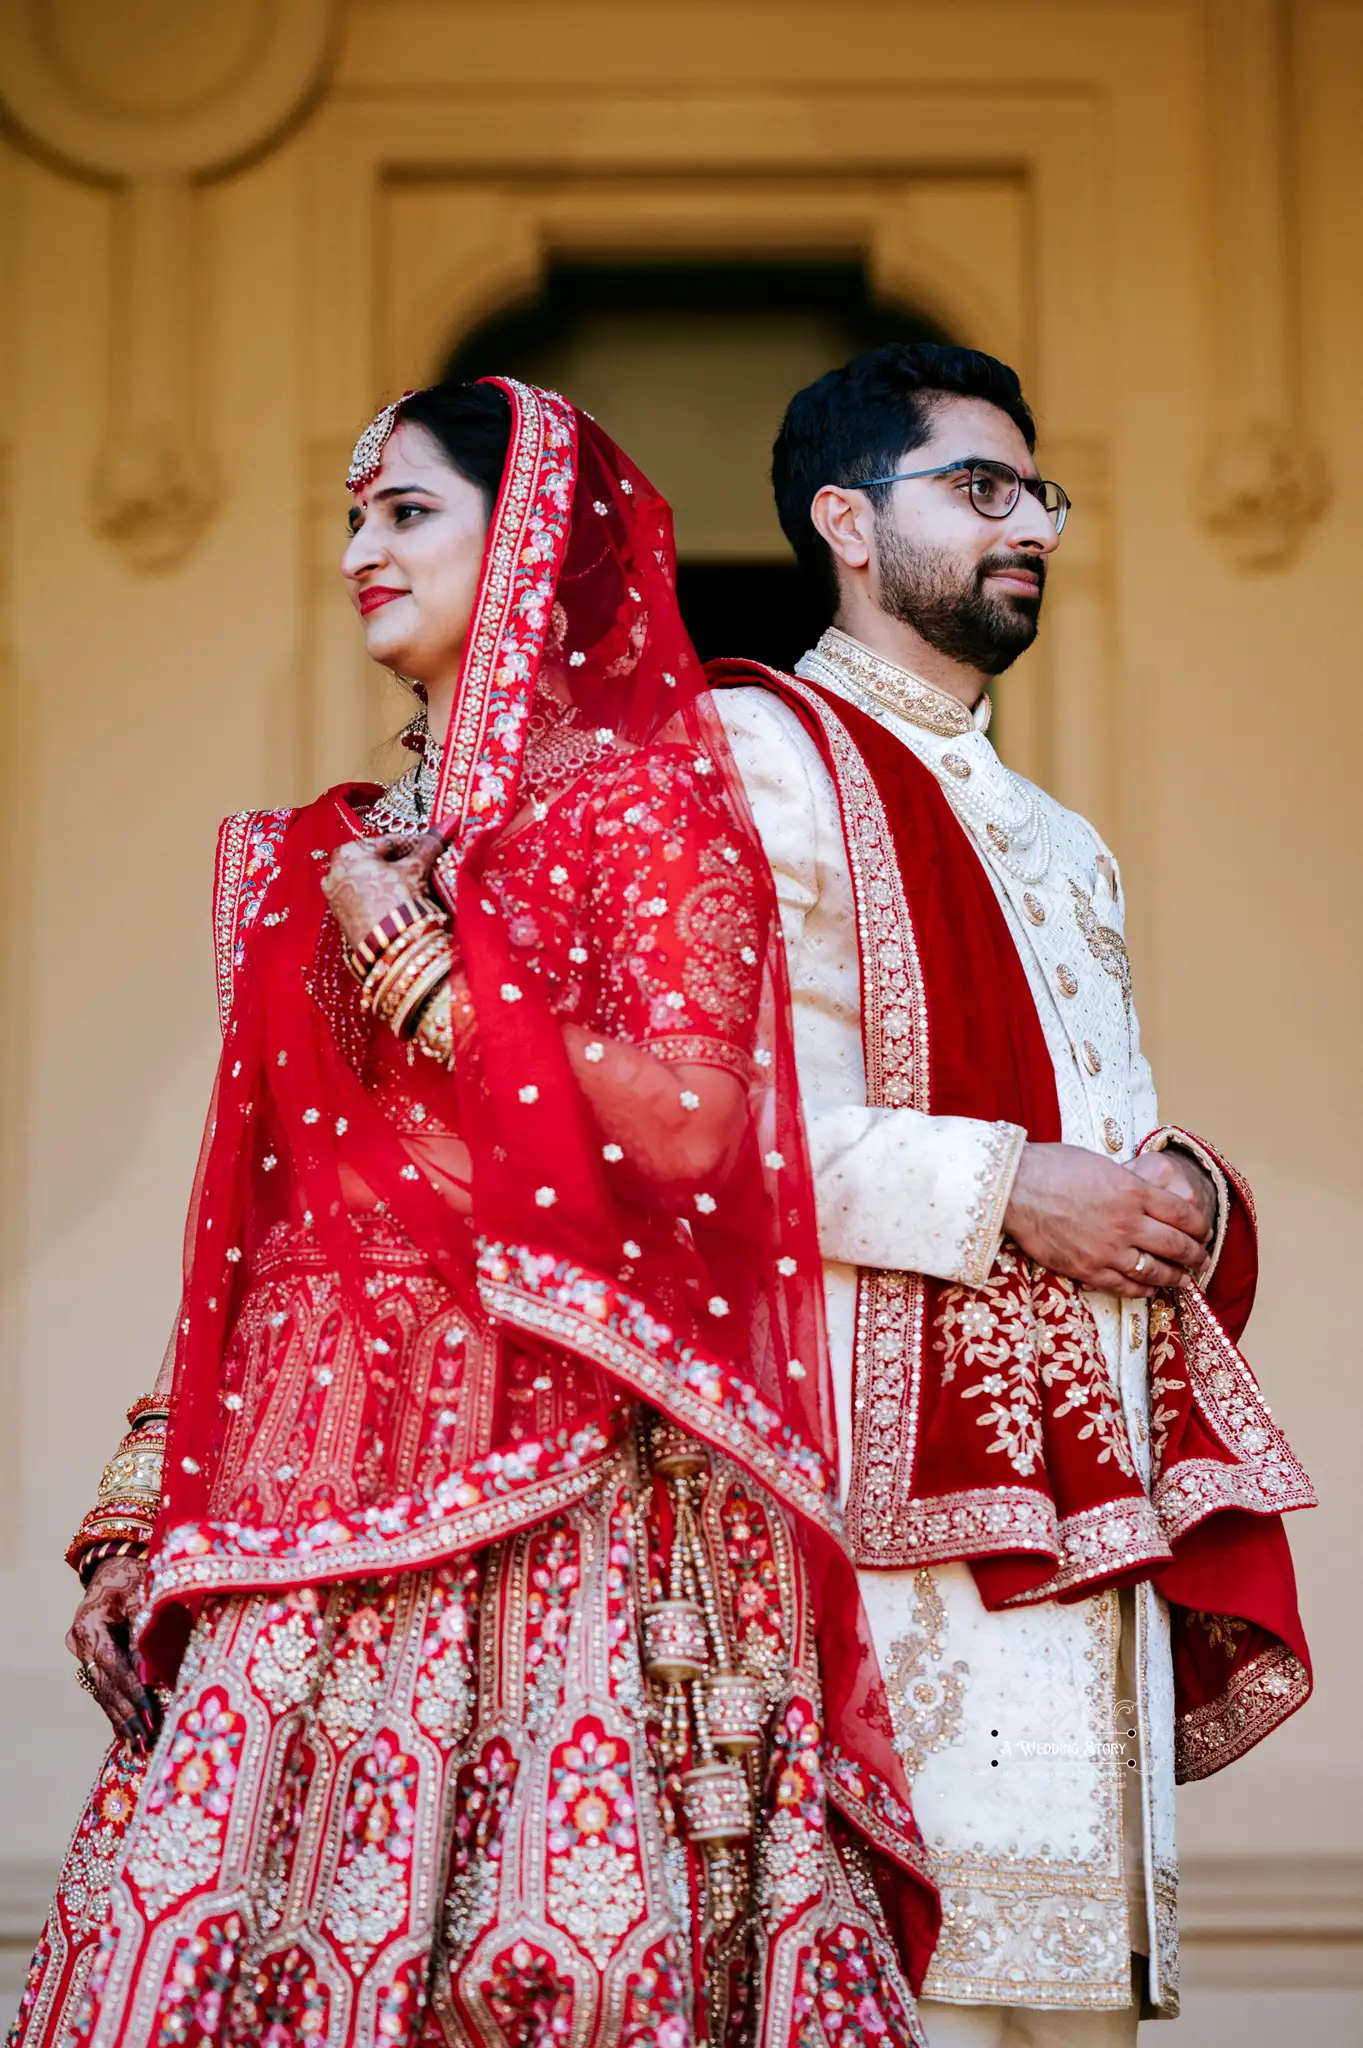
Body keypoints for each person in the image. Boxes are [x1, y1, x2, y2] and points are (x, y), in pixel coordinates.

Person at [11, 379, 940, 2048]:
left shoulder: (643, 810)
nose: (361, 548)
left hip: (552, 1471)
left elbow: (696, 1126)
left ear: (522, 543)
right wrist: (151, 1485)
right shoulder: (316, 853)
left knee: (552, 1966)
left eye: (406, 512)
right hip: (292, 1487)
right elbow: (258, 1213)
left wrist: (426, 972)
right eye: (351, 518)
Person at [709, 344, 1315, 2043]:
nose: (1028, 523)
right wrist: (1006, 1187)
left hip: (1079, 1494)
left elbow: (1096, 1134)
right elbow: (701, 1125)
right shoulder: (752, 753)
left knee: (1067, 2008)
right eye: (978, 489)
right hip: (867, 1517)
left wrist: (1175, 1194)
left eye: (1036, 494)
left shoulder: (1060, 838)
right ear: (843, 519)